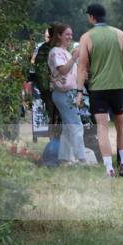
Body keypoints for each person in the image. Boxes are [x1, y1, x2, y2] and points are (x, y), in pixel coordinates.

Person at [76, 3, 123, 177]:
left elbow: (82, 67)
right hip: (118, 86)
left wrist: (79, 91)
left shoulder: (86, 37)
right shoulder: (119, 34)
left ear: (92, 17)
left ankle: (109, 168)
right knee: (121, 126)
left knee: (102, 127)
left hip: (98, 88)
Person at [46, 22, 87, 164]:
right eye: (67, 34)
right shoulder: (56, 52)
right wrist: (74, 57)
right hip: (63, 94)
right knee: (76, 125)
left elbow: (69, 72)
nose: (70, 36)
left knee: (68, 127)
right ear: (58, 35)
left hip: (68, 93)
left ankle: (64, 158)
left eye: (71, 34)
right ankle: (82, 159)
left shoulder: (65, 52)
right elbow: (63, 70)